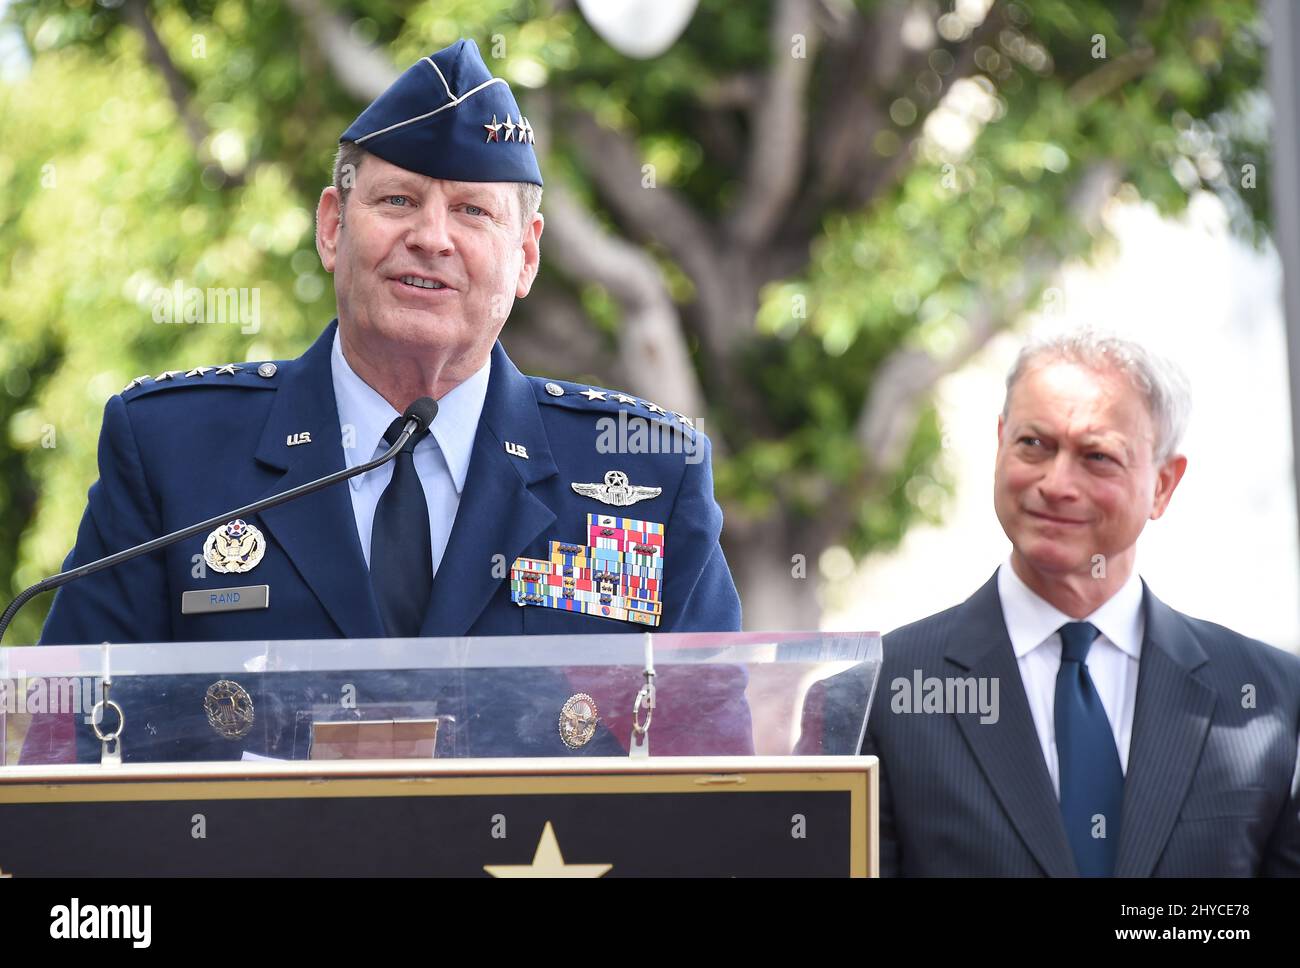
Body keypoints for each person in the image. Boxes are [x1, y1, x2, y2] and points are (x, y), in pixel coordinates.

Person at [39, 39, 741, 647]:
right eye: (399, 200)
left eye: (471, 211)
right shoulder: (173, 453)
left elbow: (716, 764)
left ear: (526, 257)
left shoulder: (650, 478)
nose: (432, 238)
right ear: (332, 227)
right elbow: (73, 741)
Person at [862, 330, 1300, 876]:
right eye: (1033, 445)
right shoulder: (882, 690)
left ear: (1163, 485)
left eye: (1097, 456)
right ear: (1000, 444)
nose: (1056, 483)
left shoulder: (1271, 700)